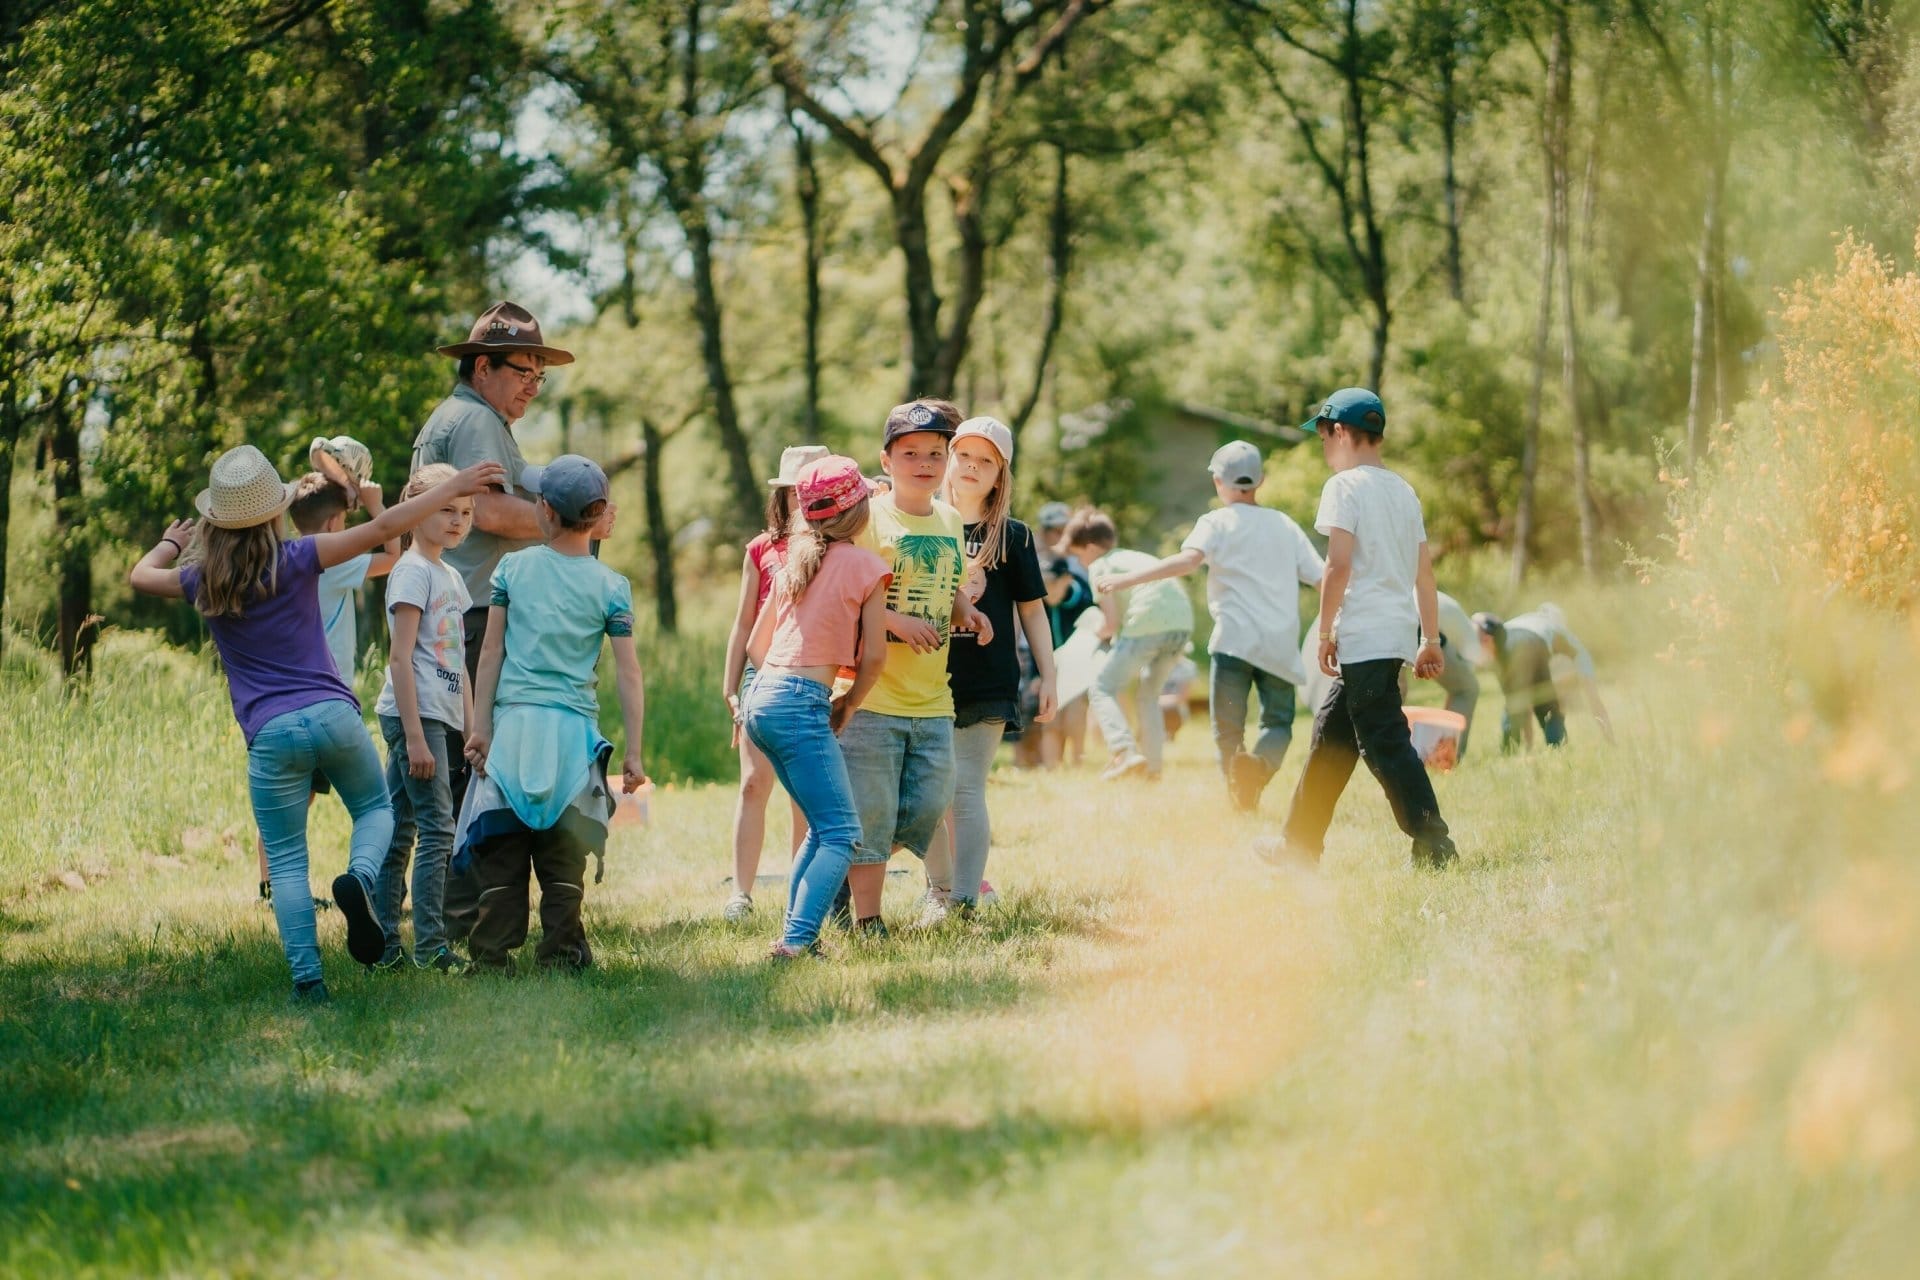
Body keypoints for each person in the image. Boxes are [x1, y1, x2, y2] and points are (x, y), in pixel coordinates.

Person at [128, 445, 504, 1002]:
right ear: (275, 512)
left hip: (270, 736)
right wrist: (455, 486)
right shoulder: (301, 557)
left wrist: (171, 543)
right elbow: (388, 526)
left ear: (215, 522)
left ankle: (309, 983)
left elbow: (140, 577)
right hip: (333, 718)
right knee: (376, 810)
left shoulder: (201, 579)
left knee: (285, 860)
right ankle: (359, 876)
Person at [411, 300, 578, 943]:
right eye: (523, 372)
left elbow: (515, 487)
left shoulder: (464, 418)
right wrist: (574, 526)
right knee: (476, 768)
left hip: (455, 611)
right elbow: (489, 512)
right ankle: (459, 926)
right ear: (484, 367)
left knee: (455, 770)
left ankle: (444, 918)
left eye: (542, 376)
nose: (533, 386)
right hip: (475, 616)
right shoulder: (477, 422)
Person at [1261, 388, 1459, 871]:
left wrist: (1326, 631)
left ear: (1342, 432)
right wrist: (1428, 639)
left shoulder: (1344, 487)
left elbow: (1338, 565)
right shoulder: (1403, 491)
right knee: (1330, 741)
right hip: (1390, 633)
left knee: (1386, 742)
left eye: (1325, 437)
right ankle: (1299, 847)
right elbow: (1424, 575)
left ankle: (1435, 843)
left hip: (1364, 636)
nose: (1325, 447)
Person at [460, 456, 642, 975]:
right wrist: (632, 751)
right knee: (565, 849)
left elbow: (490, 652)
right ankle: (562, 951)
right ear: (599, 514)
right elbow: (629, 674)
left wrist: (480, 727)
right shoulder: (612, 587)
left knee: (503, 843)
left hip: (513, 730)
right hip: (572, 735)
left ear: (544, 510)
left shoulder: (511, 570)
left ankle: (492, 955)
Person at [1093, 440, 1324, 812]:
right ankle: (1258, 769)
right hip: (1279, 646)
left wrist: (1126, 579)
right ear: (1260, 480)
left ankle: (1239, 801)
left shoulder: (1216, 522)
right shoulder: (1285, 525)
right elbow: (1322, 579)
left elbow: (1186, 563)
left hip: (1233, 644)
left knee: (1228, 730)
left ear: (1218, 481)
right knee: (1278, 723)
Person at [833, 399, 991, 935]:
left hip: (932, 697)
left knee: (927, 807)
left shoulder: (949, 519)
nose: (924, 462)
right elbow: (846, 597)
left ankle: (835, 869)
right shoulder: (870, 521)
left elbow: (946, 589)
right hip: (872, 695)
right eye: (910, 453)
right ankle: (868, 919)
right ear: (886, 460)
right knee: (873, 816)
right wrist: (895, 621)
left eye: (934, 452)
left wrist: (967, 610)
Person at [740, 456, 893, 959]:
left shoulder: (794, 563)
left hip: (762, 696)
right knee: (844, 833)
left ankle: (793, 933)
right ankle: (797, 943)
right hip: (800, 702)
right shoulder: (869, 566)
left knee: (820, 825)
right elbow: (874, 655)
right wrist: (846, 702)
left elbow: (757, 646)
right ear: (859, 510)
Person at [918, 416, 1056, 923]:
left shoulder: (1013, 537)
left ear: (1001, 475)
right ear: (948, 460)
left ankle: (965, 902)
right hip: (921, 677)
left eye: (986, 461)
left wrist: (1050, 675)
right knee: (926, 791)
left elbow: (1033, 611)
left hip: (987, 679)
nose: (973, 467)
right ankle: (939, 888)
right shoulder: (920, 522)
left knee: (966, 787)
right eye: (965, 456)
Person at [244, 470, 400, 905]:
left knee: (291, 803)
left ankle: (270, 886)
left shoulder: (282, 560)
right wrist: (373, 503)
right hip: (327, 700)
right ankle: (363, 879)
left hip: (280, 701)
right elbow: (395, 555)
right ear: (335, 524)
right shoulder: (333, 561)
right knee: (371, 803)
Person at [370, 464, 475, 974]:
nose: (458, 521)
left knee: (401, 829)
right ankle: (430, 946)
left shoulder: (450, 575)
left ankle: (385, 944)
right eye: (446, 509)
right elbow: (400, 658)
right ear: (416, 511)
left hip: (439, 716)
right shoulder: (411, 571)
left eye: (465, 512)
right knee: (438, 828)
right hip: (414, 718)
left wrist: (473, 727)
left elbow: (458, 662)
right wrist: (415, 737)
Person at [718, 445, 823, 922]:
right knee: (754, 782)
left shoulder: (841, 547)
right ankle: (741, 892)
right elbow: (743, 623)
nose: (803, 501)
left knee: (804, 789)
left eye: (811, 491)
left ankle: (800, 890)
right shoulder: (761, 548)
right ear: (782, 497)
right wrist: (731, 685)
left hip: (816, 674)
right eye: (794, 493)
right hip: (764, 674)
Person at [1065, 509, 1194, 781]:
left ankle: (1123, 751)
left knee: (1101, 687)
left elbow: (1110, 625)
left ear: (1090, 548)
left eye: (1079, 555)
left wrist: (1094, 627)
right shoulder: (1133, 557)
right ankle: (1153, 770)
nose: (1081, 562)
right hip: (1181, 624)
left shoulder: (1101, 566)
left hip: (1148, 624)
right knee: (1148, 697)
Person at [1471, 604, 1613, 750]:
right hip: (1533, 643)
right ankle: (1556, 746)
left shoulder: (1523, 623)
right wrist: (1610, 737)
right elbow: (1594, 700)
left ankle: (1512, 749)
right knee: (1546, 707)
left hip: (1508, 642)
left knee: (1515, 702)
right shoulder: (1563, 635)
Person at [1030, 501, 1093, 769]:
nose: (1059, 536)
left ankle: (1077, 761)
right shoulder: (1036, 567)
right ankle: (1051, 765)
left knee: (1076, 713)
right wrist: (1035, 672)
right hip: (1047, 662)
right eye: (1053, 531)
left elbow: (1084, 604)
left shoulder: (1077, 581)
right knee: (1049, 718)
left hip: (1077, 660)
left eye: (1063, 530)